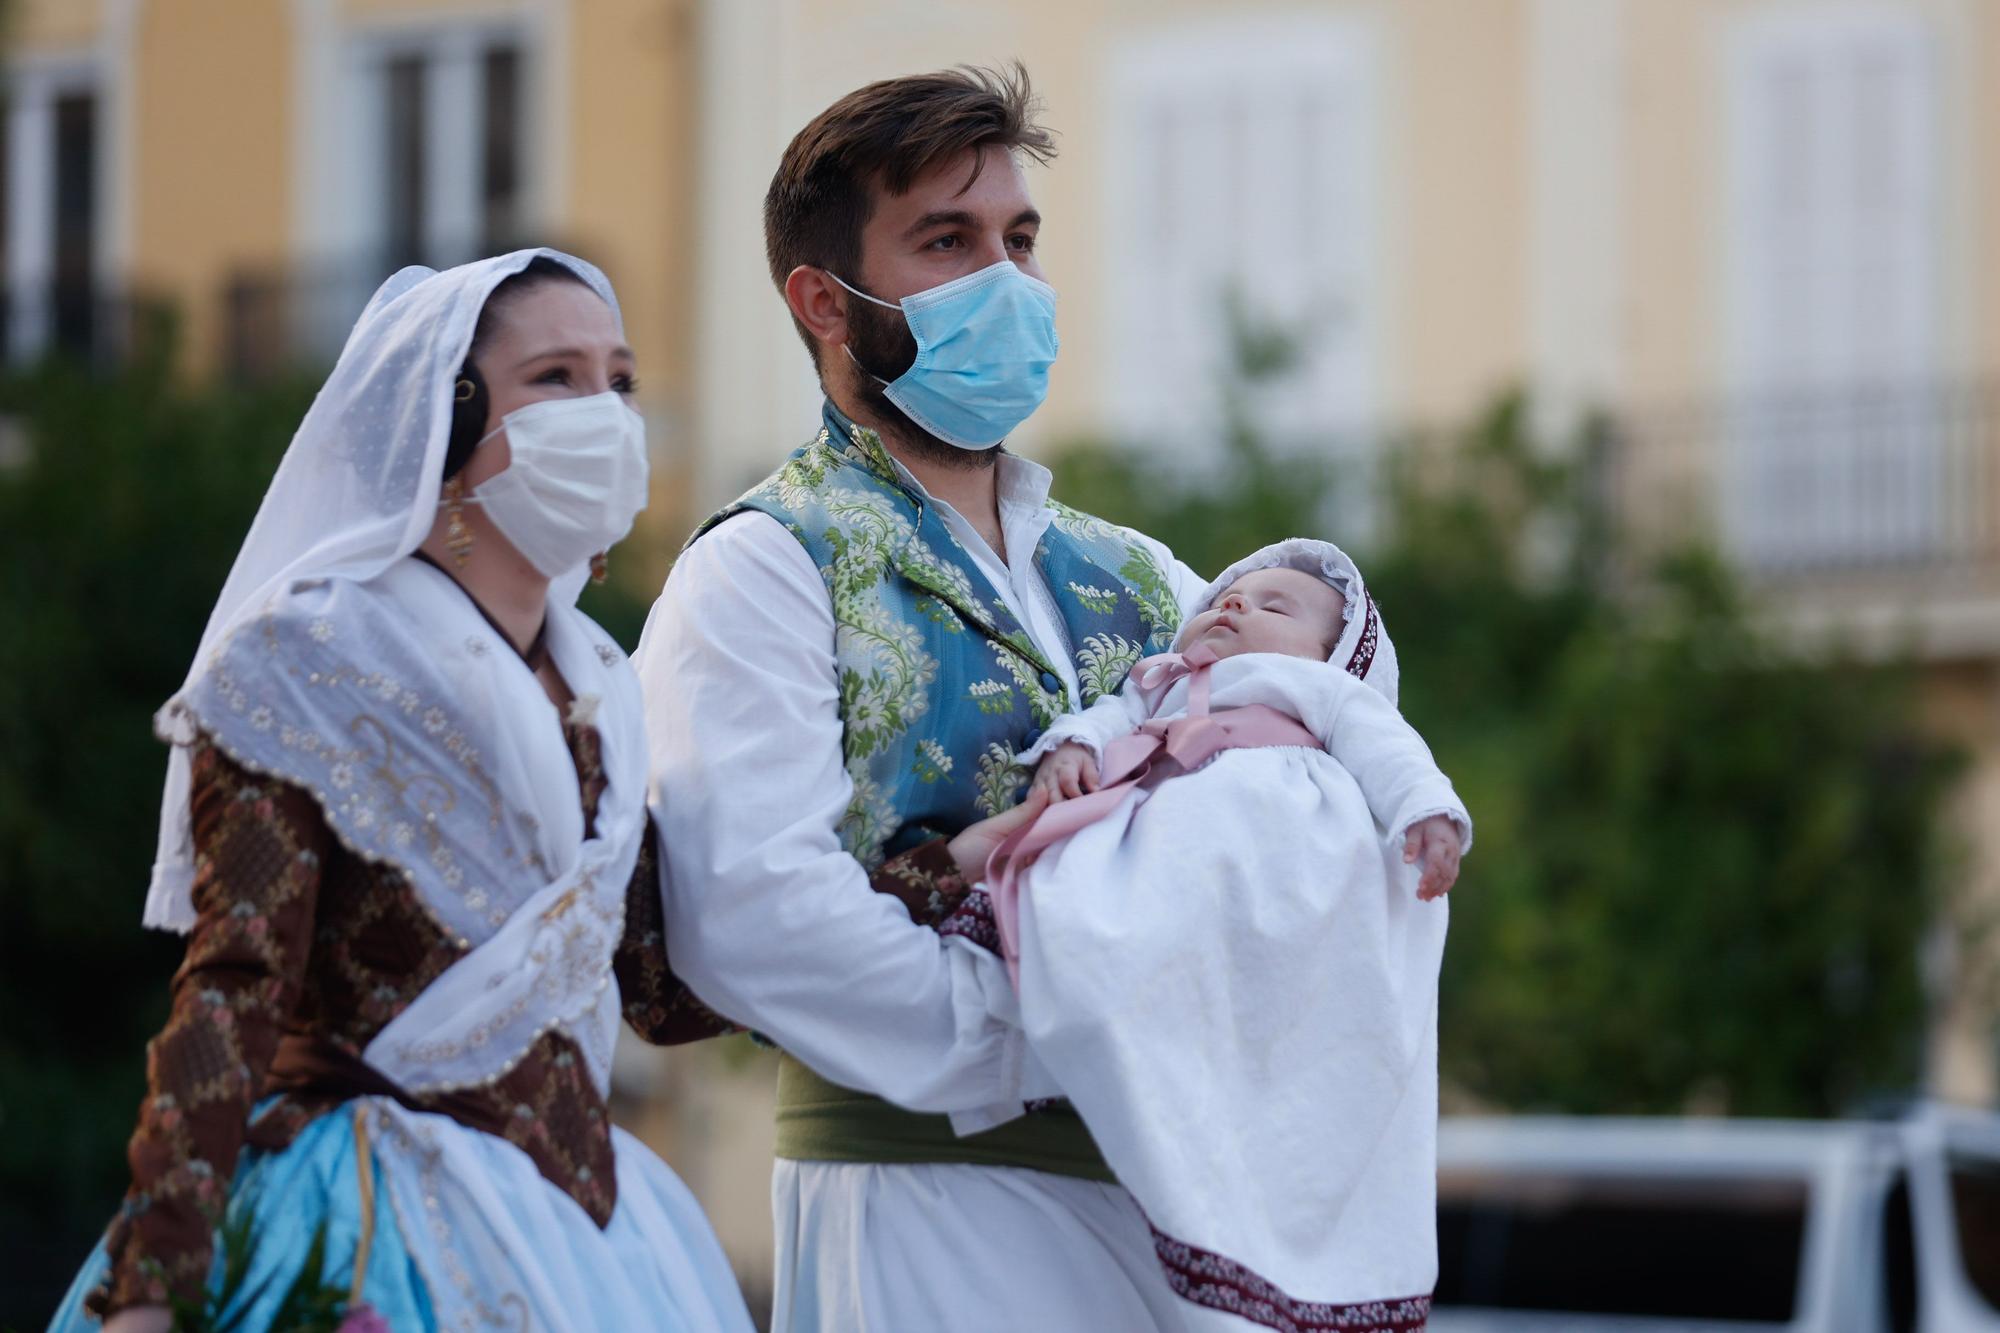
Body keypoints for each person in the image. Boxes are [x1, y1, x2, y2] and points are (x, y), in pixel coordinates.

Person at [51, 251, 754, 1333]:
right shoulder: (305, 657)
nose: (605, 413)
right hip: (369, 1214)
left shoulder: (602, 683)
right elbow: (235, 987)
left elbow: (657, 987)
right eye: (556, 377)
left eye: (618, 380)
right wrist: (153, 1285)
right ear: (450, 423)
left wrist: (933, 872)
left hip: (594, 1229)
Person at [637, 65, 1216, 1330]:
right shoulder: (762, 565)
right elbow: (751, 914)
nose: (1002, 280)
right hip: (921, 1185)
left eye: (1018, 239)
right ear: (821, 301)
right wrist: (1031, 1039)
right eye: (945, 241)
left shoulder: (1145, 578)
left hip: (1181, 1205)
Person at [950, 538, 1469, 1331]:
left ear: (1337, 655)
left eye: (1273, 605)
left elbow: (1390, 749)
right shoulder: (1156, 683)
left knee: (1240, 937)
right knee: (1093, 920)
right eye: (1227, 596)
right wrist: (1072, 749)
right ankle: (1073, 1024)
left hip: (1272, 834)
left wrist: (1426, 814)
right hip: (1165, 829)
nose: (1234, 606)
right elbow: (1100, 719)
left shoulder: (1319, 695)